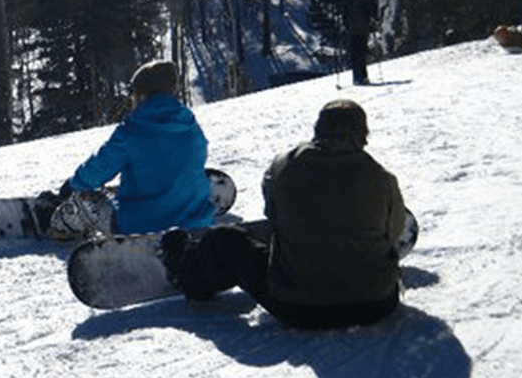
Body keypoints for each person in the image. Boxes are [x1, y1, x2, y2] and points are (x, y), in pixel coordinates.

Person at [166, 99, 407, 329]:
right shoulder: (382, 177)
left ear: (318, 130)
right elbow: (394, 232)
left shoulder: (285, 165)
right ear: (363, 135)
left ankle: (187, 269)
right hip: (378, 303)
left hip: (301, 307)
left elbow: (273, 214)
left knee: (224, 239)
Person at [54, 60, 214, 235]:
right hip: (195, 222)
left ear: (142, 95)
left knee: (81, 201)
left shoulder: (132, 130)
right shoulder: (191, 127)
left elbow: (101, 166)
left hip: (141, 226)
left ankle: (61, 225)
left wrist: (74, 185)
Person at [344, 0, 379, 86]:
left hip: (359, 29)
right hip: (357, 29)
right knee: (358, 54)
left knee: (358, 54)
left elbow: (373, 10)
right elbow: (345, 14)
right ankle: (360, 77)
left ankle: (359, 78)